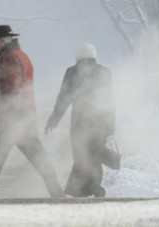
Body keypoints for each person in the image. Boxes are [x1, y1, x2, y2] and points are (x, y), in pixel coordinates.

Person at [0, 25, 64, 199]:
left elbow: (10, 90)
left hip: (12, 120)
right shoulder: (22, 56)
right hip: (24, 118)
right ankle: (56, 191)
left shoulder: (8, 58)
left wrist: (3, 117)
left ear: (1, 41)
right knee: (38, 158)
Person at [45, 43, 115, 198]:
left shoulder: (72, 72)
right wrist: (111, 127)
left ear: (78, 57)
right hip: (101, 122)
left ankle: (83, 189)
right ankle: (92, 187)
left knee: (80, 154)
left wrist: (54, 119)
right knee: (95, 155)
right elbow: (109, 99)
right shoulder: (105, 72)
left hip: (80, 122)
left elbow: (63, 98)